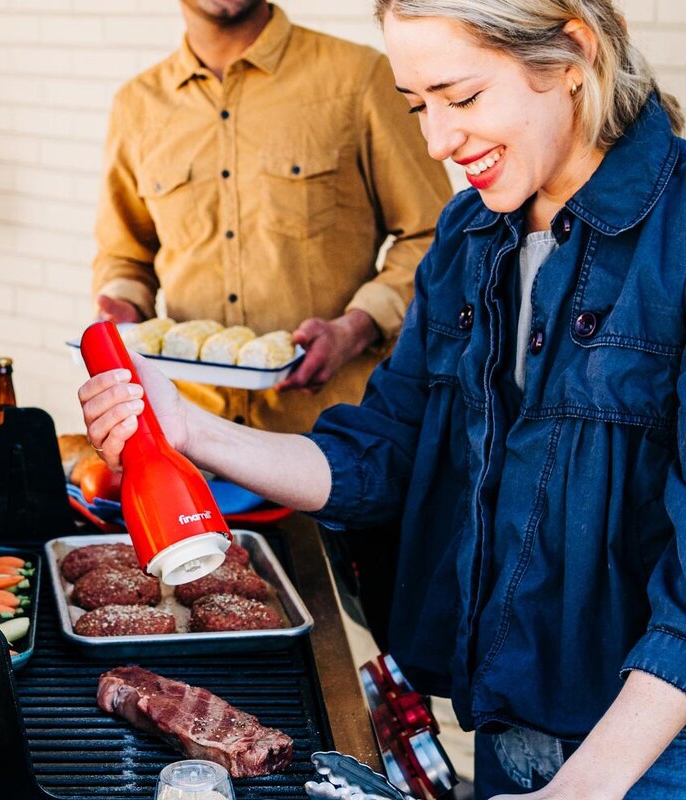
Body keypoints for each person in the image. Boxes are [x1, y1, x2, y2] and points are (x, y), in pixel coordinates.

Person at [79, 0, 686, 797]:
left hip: (650, 759)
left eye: (461, 97)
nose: (437, 141)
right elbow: (381, 454)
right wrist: (188, 425)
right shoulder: (469, 237)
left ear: (570, 55)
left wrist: (590, 784)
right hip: (511, 740)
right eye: (418, 106)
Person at [91, 0, 451, 435]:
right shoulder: (137, 105)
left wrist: (356, 327)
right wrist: (123, 306)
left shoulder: (359, 78)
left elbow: (433, 235)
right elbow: (125, 254)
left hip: (333, 436)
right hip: (192, 434)